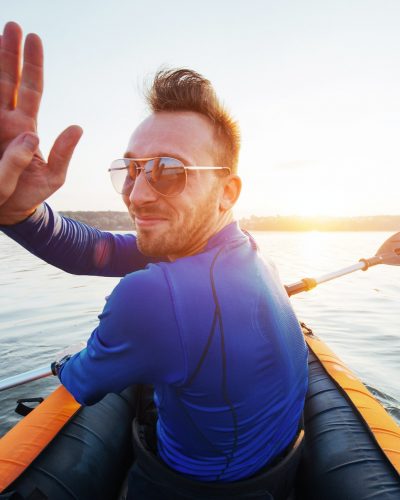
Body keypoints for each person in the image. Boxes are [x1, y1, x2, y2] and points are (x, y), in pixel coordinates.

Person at [0, 22, 308, 499]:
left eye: (168, 170)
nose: (138, 195)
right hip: (272, 474)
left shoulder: (155, 297)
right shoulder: (240, 250)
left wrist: (65, 364)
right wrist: (22, 212)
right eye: (131, 169)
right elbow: (95, 249)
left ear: (226, 192)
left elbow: (83, 380)